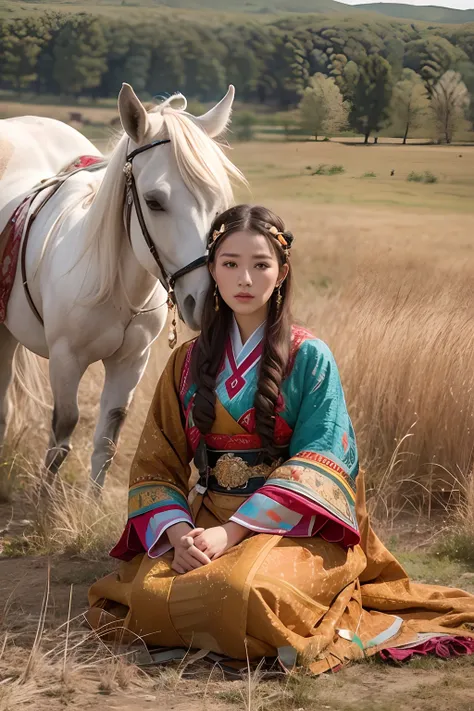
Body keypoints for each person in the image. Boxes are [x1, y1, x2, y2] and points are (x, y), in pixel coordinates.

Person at [87, 204, 474, 673]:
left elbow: (322, 459)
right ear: (211, 269)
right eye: (229, 264)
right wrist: (178, 532)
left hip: (293, 526)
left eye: (260, 264)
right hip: (204, 521)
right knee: (147, 595)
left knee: (244, 590)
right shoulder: (185, 361)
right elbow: (156, 461)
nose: (244, 279)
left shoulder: (311, 357)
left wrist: (231, 533)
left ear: (282, 271)